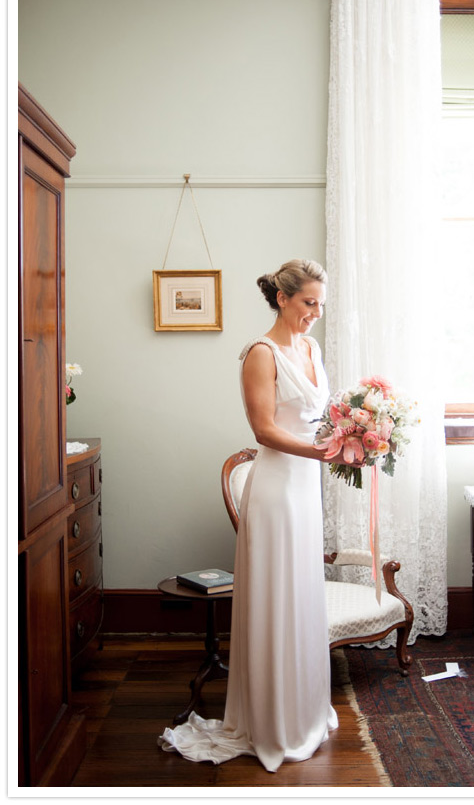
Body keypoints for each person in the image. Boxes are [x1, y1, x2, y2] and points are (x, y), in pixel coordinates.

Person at [159, 259, 344, 772]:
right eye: (308, 302)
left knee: (301, 593)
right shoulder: (260, 353)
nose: (315, 313)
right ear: (283, 299)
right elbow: (264, 430)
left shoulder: (311, 348)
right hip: (277, 489)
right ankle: (269, 721)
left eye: (320, 304)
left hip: (304, 488)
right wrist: (322, 452)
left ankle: (302, 709)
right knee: (276, 595)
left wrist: (347, 436)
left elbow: (317, 418)